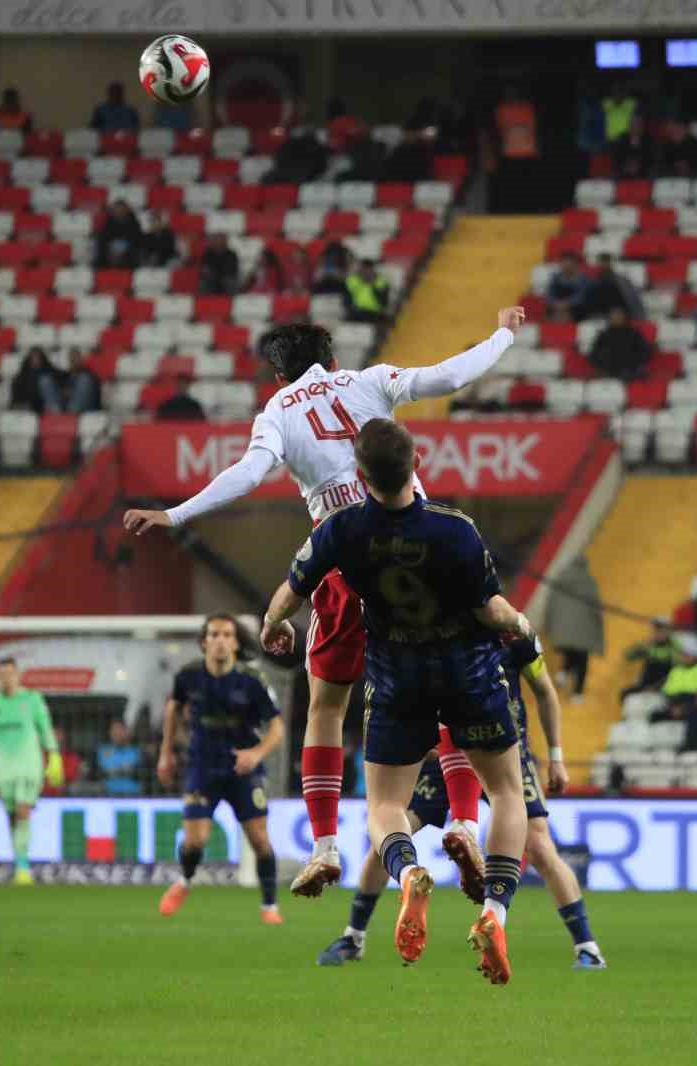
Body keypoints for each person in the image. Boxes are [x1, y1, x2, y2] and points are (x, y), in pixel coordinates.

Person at [122, 309, 527, 899]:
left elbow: (247, 473)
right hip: (422, 556)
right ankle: (464, 821)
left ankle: (323, 847)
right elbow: (449, 376)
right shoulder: (366, 382)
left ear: (280, 376)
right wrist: (503, 333)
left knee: (326, 712)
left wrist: (175, 513)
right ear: (331, 359)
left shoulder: (279, 413)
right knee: (447, 693)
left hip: (344, 563)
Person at [258, 418, 536, 983]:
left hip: (396, 680)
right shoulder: (455, 528)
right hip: (470, 675)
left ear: (360, 475)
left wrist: (273, 624)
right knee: (507, 792)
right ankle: (494, 911)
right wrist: (521, 625)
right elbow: (492, 610)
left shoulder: (342, 529)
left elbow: (291, 592)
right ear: (416, 465)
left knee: (385, 808)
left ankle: (408, 873)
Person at [318, 631, 606, 971]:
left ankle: (587, 947)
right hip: (448, 752)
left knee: (540, 847)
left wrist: (556, 756)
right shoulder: (450, 623)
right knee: (389, 839)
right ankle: (353, 936)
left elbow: (545, 691)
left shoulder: (513, 631)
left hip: (505, 754)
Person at [154, 614, 287, 922]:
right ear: (204, 642)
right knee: (194, 841)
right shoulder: (188, 676)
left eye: (227, 634)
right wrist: (166, 754)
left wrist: (256, 753)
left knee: (259, 840)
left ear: (236, 643)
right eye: (213, 634)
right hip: (202, 766)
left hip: (243, 770)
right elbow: (173, 707)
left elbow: (277, 728)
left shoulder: (253, 681)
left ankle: (270, 906)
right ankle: (184, 881)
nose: (220, 640)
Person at [0, 656, 64, 885]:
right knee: (13, 815)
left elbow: (45, 729)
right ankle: (19, 861)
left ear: (18, 675)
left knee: (24, 810)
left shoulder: (32, 700)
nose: (7, 679)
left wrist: (53, 755)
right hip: (4, 767)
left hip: (28, 764)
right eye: (2, 675)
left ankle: (23, 867)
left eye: (10, 674)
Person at [543, 554, 604, 702]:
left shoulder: (560, 581)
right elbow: (596, 607)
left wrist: (549, 625)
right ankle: (577, 693)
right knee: (582, 659)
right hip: (584, 630)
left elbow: (551, 604)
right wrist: (598, 625)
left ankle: (563, 673)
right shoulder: (589, 583)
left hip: (563, 630)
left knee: (569, 649)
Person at [622, 619, 684, 699]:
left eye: (662, 630)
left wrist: (656, 688)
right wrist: (642, 646)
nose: (658, 633)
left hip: (664, 688)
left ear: (669, 631)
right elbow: (628, 656)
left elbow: (675, 672)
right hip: (645, 686)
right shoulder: (648, 645)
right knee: (625, 695)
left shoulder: (674, 648)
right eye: (656, 630)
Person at [588, 306, 652, 381]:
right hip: (608, 372)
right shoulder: (603, 335)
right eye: (613, 316)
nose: (616, 318)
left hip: (631, 372)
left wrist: (633, 363)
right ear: (609, 318)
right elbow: (593, 355)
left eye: (618, 315)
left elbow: (645, 352)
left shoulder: (634, 334)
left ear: (624, 317)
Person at [581, 254, 644, 322]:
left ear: (611, 263)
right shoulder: (592, 282)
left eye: (606, 261)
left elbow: (632, 300)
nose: (604, 265)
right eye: (602, 262)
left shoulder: (621, 281)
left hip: (621, 314)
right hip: (597, 316)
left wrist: (638, 317)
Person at [92, 719, 142, 797]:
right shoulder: (102, 750)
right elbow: (96, 773)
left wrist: (115, 771)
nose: (116, 733)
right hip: (106, 795)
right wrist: (123, 770)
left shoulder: (137, 752)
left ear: (127, 732)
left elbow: (140, 774)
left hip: (132, 795)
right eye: (114, 730)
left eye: (120, 729)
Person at [95, 200, 144, 270]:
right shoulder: (109, 222)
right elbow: (105, 236)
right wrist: (113, 244)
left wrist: (124, 244)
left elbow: (137, 238)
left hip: (129, 249)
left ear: (127, 210)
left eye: (122, 209)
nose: (119, 211)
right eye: (117, 209)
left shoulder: (134, 222)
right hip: (111, 248)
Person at [11, 347, 61, 414]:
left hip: (47, 404)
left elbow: (62, 377)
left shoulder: (49, 370)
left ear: (42, 359)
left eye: (37, 357)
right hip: (30, 404)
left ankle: (53, 412)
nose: (35, 360)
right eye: (33, 357)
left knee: (45, 380)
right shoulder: (22, 376)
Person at [546, 253, 591, 321]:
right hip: (556, 307)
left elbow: (582, 296)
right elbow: (549, 295)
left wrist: (567, 304)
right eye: (564, 263)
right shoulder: (555, 279)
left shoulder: (583, 280)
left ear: (575, 265)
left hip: (575, 310)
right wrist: (556, 304)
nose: (567, 266)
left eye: (569, 264)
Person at [344, 259, 391, 325]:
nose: (364, 272)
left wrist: (372, 285)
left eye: (367, 270)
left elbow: (384, 303)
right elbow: (346, 299)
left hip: (374, 313)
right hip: (356, 313)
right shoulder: (351, 281)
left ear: (372, 270)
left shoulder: (381, 283)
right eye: (362, 270)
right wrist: (351, 309)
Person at [60, 348, 101, 413]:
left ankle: (72, 411)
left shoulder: (89, 374)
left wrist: (72, 392)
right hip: (67, 404)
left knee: (85, 379)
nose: (73, 360)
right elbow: (63, 392)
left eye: (75, 357)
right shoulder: (65, 376)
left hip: (87, 406)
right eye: (71, 358)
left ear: (81, 359)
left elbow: (94, 392)